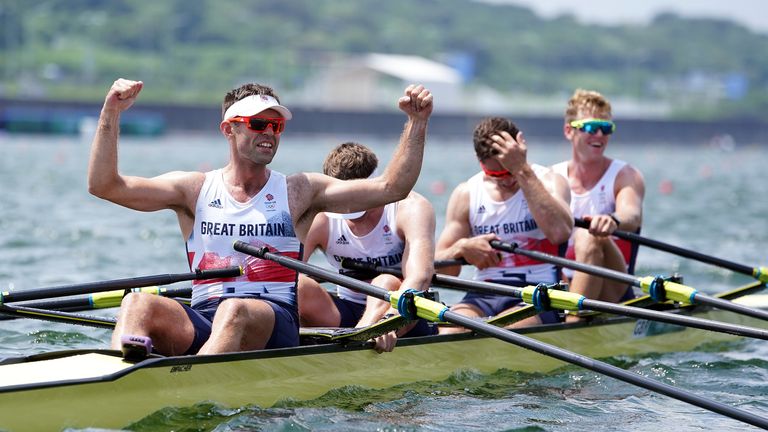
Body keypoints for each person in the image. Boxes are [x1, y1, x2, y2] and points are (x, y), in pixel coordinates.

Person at [87, 78, 433, 356]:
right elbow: (106, 186)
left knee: (234, 310)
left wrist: (417, 122)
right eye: (258, 124)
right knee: (136, 303)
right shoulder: (192, 189)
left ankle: (191, 384)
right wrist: (111, 112)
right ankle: (113, 382)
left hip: (273, 321)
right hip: (206, 316)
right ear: (229, 129)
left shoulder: (300, 191)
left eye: (276, 125)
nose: (269, 132)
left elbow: (392, 187)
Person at [435, 117, 573, 332]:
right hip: (483, 293)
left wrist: (522, 170)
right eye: (496, 174)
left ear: (521, 147)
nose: (507, 180)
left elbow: (560, 233)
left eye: (509, 171)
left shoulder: (549, 181)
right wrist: (461, 248)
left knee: (503, 330)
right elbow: (441, 269)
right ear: (479, 161)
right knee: (448, 332)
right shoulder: (467, 193)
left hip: (540, 292)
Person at [298, 142, 436, 353]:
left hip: (401, 313)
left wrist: (389, 321)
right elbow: (285, 277)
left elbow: (420, 278)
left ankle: (365, 334)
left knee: (385, 282)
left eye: (359, 206)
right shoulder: (321, 218)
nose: (352, 214)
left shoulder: (411, 208)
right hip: (342, 313)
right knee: (298, 285)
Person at [551, 89, 645, 316]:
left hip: (613, 284)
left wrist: (612, 220)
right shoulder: (552, 177)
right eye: (592, 127)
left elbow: (631, 215)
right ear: (568, 131)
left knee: (589, 235)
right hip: (561, 282)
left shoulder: (625, 175)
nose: (600, 135)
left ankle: (572, 325)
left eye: (606, 129)